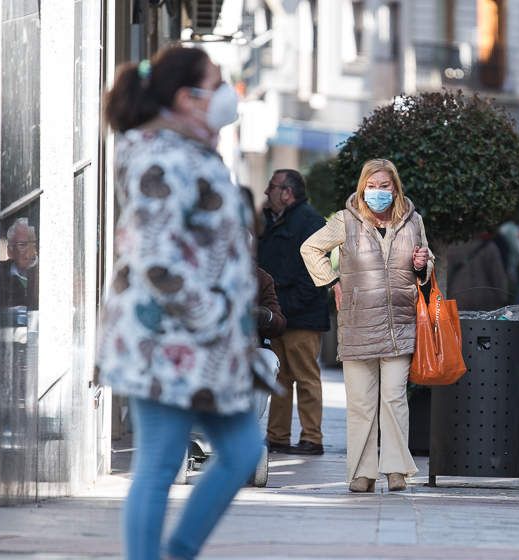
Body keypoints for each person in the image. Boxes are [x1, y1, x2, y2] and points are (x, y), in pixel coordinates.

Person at [96, 46, 262, 560]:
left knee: (240, 451)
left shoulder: (186, 151)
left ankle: (176, 553)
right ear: (185, 97)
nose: (226, 94)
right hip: (164, 342)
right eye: (216, 83)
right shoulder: (161, 157)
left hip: (200, 348)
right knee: (160, 465)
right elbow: (155, 256)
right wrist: (210, 314)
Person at [300, 158, 433, 493]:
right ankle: (361, 472)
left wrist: (423, 265)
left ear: (395, 188)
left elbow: (426, 261)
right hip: (359, 324)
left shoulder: (412, 221)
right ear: (362, 187)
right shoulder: (345, 221)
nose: (377, 193)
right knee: (360, 402)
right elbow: (310, 248)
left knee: (393, 399)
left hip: (399, 324)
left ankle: (396, 470)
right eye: (371, 186)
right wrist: (332, 283)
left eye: (384, 186)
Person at [258, 169, 330, 455]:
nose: (267, 192)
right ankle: (277, 437)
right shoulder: (269, 221)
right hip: (278, 317)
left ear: (287, 192)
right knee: (279, 378)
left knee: (306, 378)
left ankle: (312, 438)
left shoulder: (309, 221)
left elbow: (314, 277)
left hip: (302, 317)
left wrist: (282, 309)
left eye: (272, 187)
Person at [447, 232, 510, 311]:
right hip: (484, 298)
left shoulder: (453, 247)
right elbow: (498, 276)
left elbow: (447, 274)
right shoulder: (489, 247)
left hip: (458, 297)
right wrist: (503, 297)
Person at [0, 217, 39, 311]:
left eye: (34, 244)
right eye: (22, 245)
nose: (30, 251)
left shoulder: (50, 270)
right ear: (10, 251)